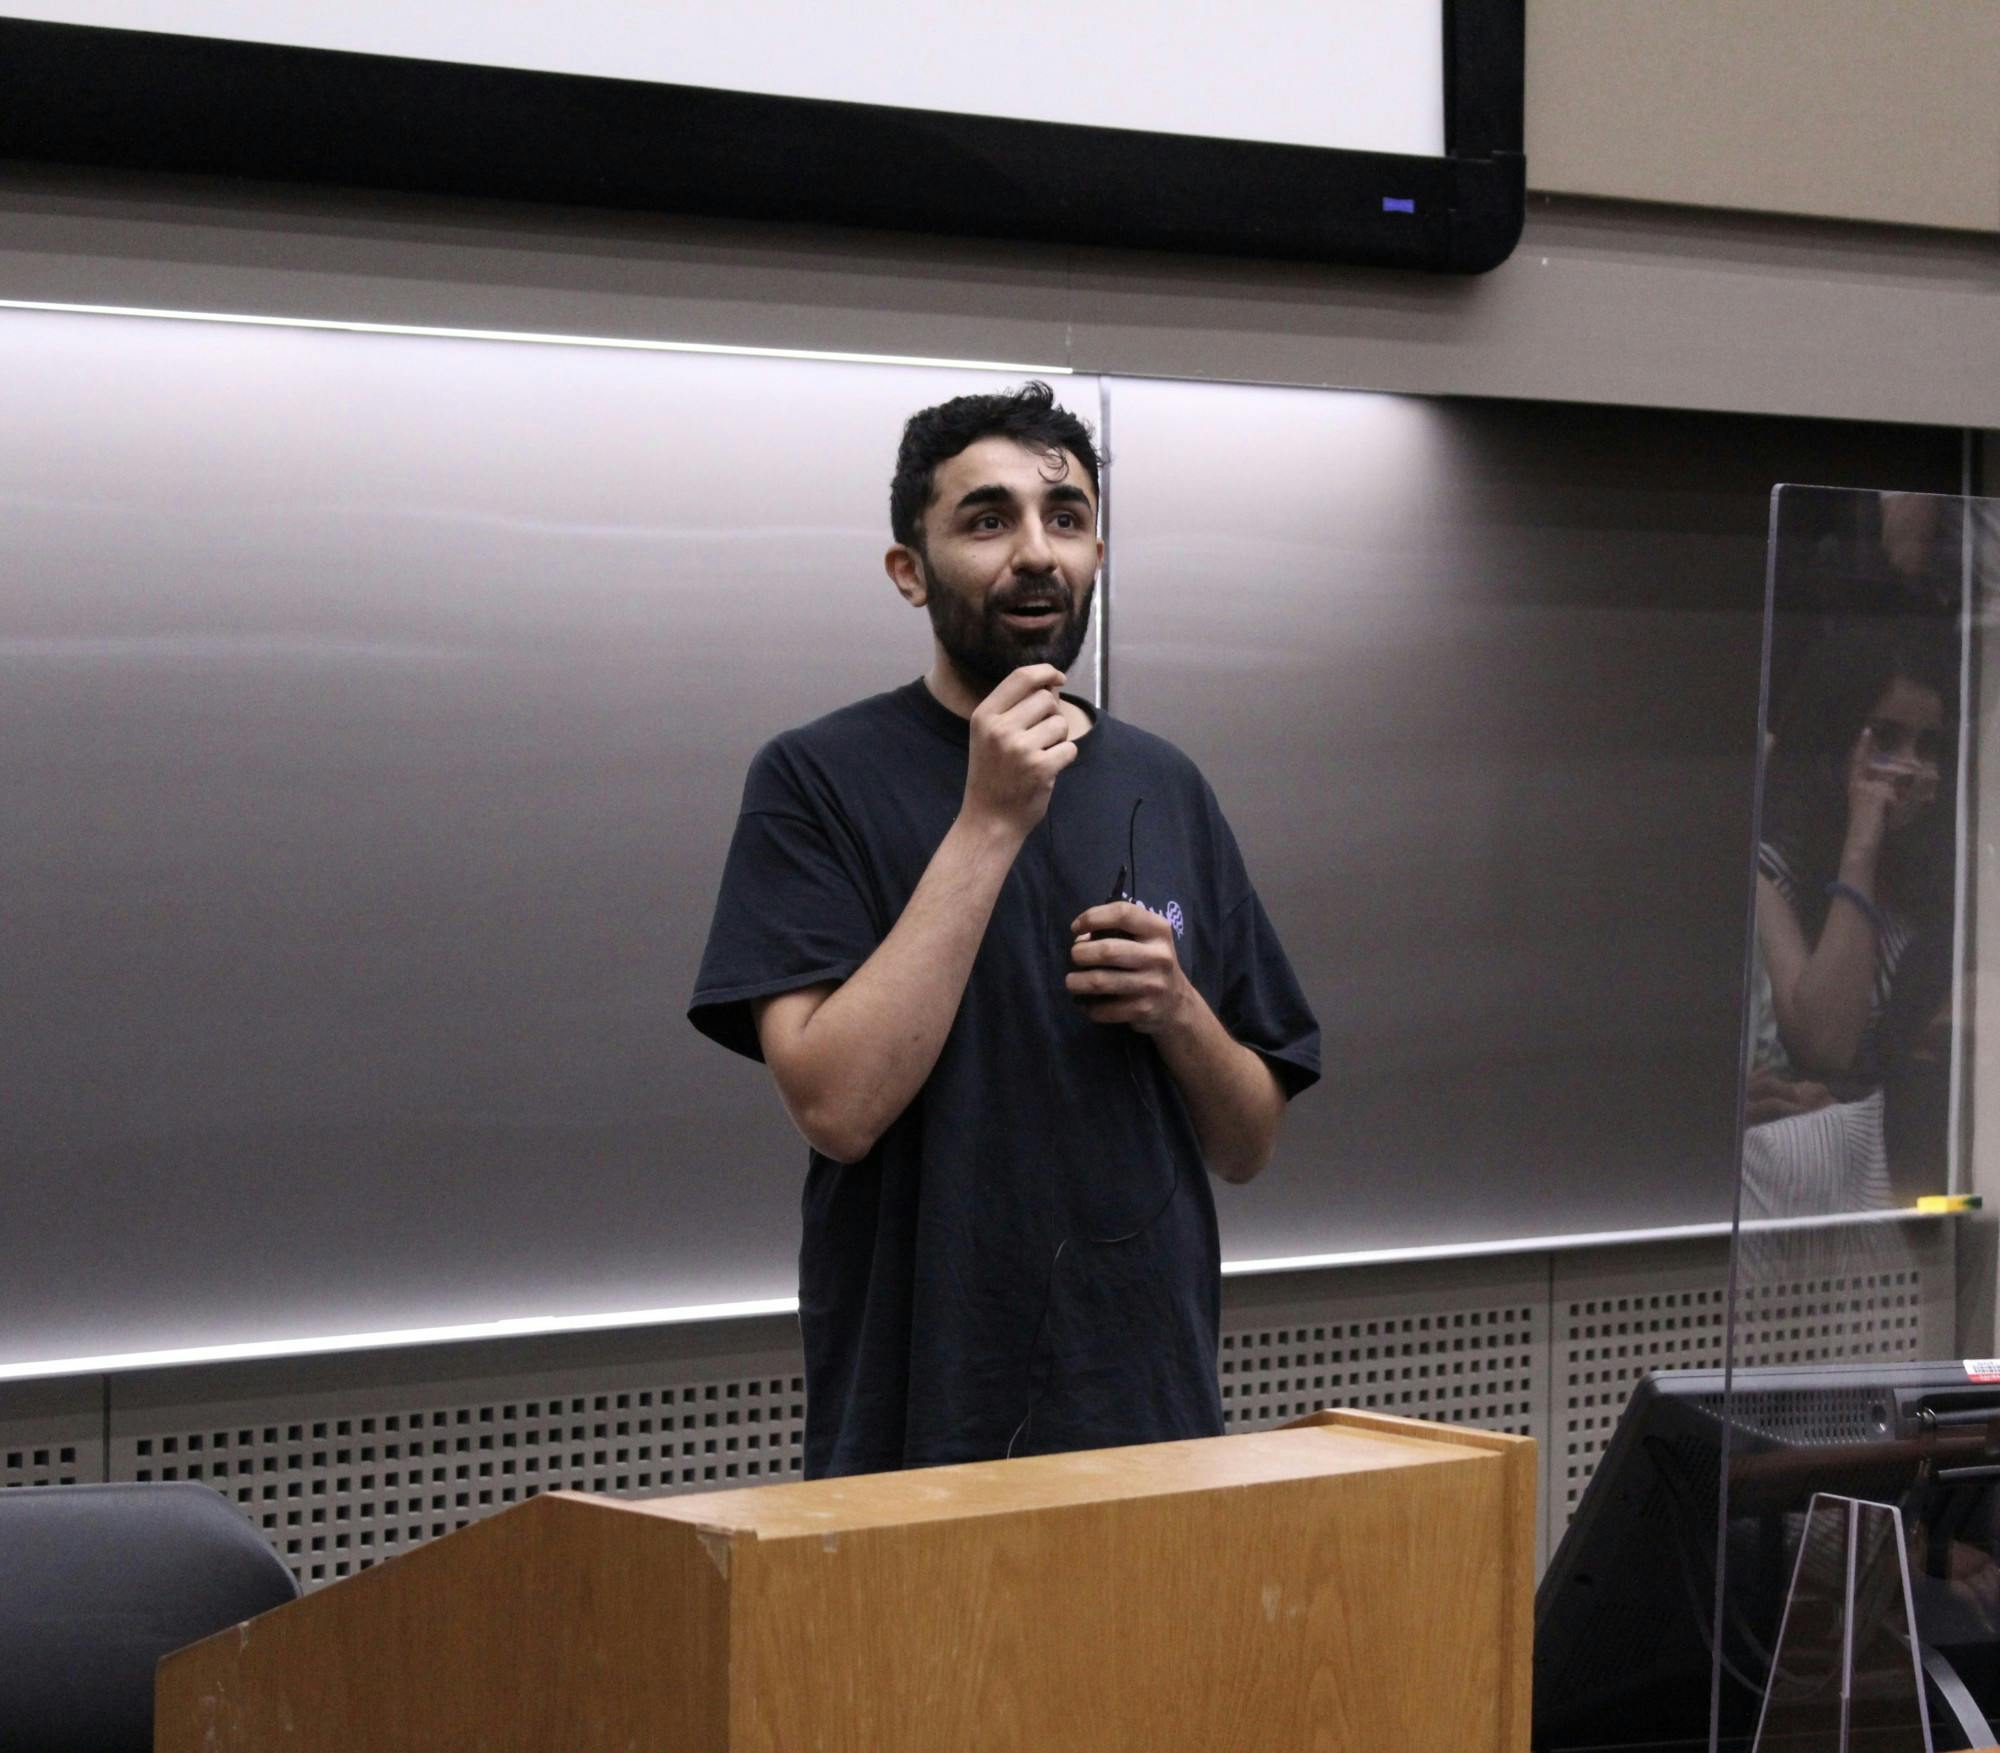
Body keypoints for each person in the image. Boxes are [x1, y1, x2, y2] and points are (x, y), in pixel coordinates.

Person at [689, 382, 1320, 1478]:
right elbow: (833, 1105)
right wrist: (987, 822)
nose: (1036, 552)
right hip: (921, 1417)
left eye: (1063, 519)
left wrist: (1178, 1012)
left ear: (1096, 555)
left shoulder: (1165, 783)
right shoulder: (814, 777)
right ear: (908, 569)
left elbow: (1245, 1140)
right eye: (987, 520)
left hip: (1149, 1410)